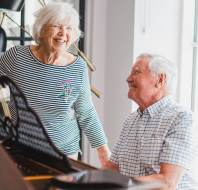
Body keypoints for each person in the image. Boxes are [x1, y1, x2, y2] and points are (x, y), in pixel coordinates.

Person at [0, 2, 110, 166]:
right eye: (57, 26)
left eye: (69, 28)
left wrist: (103, 150)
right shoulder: (16, 57)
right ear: (42, 29)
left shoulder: (77, 67)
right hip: (21, 148)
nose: (63, 34)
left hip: (64, 152)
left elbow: (86, 111)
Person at [105, 53, 198, 189]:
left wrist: (122, 184)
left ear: (160, 80)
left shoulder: (182, 118)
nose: (128, 79)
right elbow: (112, 168)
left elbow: (166, 182)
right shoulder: (131, 120)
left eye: (136, 72)